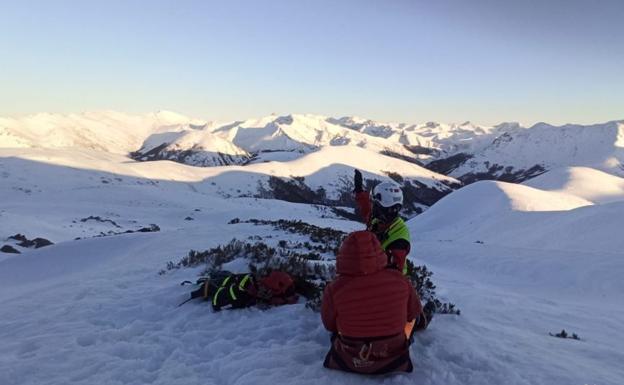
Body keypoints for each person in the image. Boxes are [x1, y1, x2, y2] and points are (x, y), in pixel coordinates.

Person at [321, 231, 423, 374]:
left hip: (350, 355)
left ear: (343, 254)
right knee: (416, 319)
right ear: (379, 252)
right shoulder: (400, 279)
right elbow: (413, 313)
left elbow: (329, 325)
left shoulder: (334, 288)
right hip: (392, 354)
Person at [353, 169, 411, 275]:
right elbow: (367, 210)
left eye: (374, 203)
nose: (372, 205)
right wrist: (359, 191)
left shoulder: (399, 241)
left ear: (381, 207)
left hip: (388, 286)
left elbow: (393, 275)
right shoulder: (380, 220)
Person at [178, 270, 299, 311]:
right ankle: (206, 285)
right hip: (225, 288)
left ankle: (210, 282)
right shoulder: (253, 291)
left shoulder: (275, 282)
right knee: (216, 286)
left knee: (224, 280)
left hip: (233, 282)